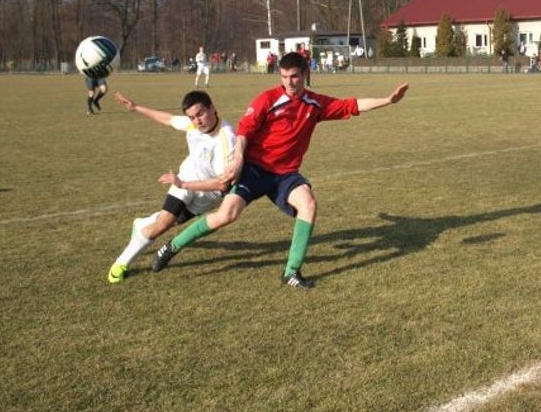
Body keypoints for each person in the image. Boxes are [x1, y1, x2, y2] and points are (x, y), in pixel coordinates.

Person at [150, 52, 408, 288]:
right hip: (254, 170)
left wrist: (388, 100)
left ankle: (292, 272)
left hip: (284, 174)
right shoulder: (267, 99)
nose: (290, 82)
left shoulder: (315, 104)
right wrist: (239, 155)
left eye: (294, 76)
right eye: (284, 77)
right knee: (226, 215)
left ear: (305, 74)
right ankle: (171, 247)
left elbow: (352, 104)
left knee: (308, 203)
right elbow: (244, 131)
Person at [106, 90, 237, 283]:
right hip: (185, 178)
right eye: (192, 117)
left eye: (200, 114)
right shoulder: (193, 126)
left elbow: (222, 183)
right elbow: (167, 119)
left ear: (213, 108)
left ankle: (142, 224)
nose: (197, 121)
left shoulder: (226, 138)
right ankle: (121, 263)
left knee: (170, 222)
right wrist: (135, 107)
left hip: (209, 194)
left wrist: (184, 184)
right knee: (164, 223)